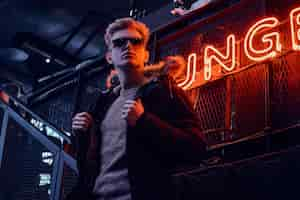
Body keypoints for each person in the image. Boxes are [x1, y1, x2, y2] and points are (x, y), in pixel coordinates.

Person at [67, 17, 207, 200]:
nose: (128, 46)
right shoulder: (101, 103)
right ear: (109, 57)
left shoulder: (163, 92)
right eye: (119, 43)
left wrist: (144, 121)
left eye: (136, 42)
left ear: (146, 55)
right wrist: (82, 135)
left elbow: (196, 149)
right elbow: (89, 167)